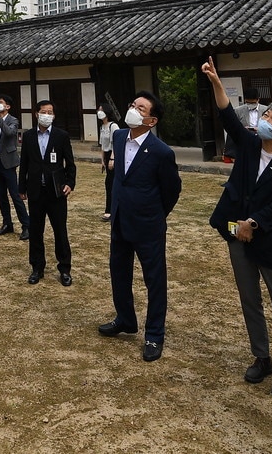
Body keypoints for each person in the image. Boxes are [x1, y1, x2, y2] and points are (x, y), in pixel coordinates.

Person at [202, 58, 272, 397]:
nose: (267, 120)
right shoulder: (248, 145)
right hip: (235, 233)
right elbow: (227, 115)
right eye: (268, 115)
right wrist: (216, 81)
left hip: (269, 239)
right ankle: (262, 357)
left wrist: (253, 222)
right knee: (250, 298)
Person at [97, 91, 181, 362]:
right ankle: (125, 319)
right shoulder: (120, 137)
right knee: (119, 272)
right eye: (133, 104)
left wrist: (156, 214)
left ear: (152, 120)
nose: (133, 109)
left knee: (154, 281)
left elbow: (171, 190)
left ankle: (154, 334)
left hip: (148, 225)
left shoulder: (161, 152)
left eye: (141, 108)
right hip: (120, 219)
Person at [18, 100, 76, 286]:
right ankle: (37, 267)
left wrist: (69, 183)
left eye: (50, 112)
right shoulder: (28, 136)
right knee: (36, 231)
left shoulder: (61, 136)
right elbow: (24, 163)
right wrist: (21, 188)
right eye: (44, 112)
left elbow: (70, 163)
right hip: (35, 191)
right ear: (36, 114)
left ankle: (65, 269)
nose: (47, 115)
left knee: (60, 230)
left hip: (56, 192)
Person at [0, 95, 31, 240]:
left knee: (15, 195)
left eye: (0, 103)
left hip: (8, 163)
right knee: (1, 196)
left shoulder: (13, 120)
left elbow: (10, 133)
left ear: (7, 107)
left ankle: (26, 225)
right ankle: (7, 223)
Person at [225, 87, 266, 163]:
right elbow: (234, 125)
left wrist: (259, 128)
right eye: (248, 103)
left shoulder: (266, 110)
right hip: (245, 135)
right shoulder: (238, 110)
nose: (251, 105)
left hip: (261, 134)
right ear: (245, 100)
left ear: (258, 99)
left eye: (253, 103)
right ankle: (232, 155)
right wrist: (242, 128)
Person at [96, 102, 121, 221]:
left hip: (113, 155)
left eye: (101, 110)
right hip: (106, 155)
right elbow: (102, 145)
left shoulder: (113, 126)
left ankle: (110, 210)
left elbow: (116, 143)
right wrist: (102, 161)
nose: (99, 112)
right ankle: (111, 209)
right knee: (109, 183)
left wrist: (112, 158)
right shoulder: (102, 127)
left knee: (110, 183)